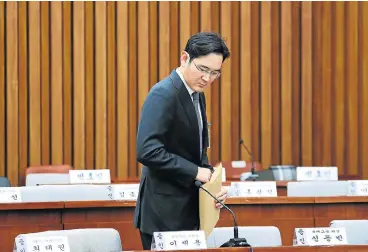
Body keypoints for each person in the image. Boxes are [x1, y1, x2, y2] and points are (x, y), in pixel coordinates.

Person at [133, 31, 231, 250]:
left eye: (215, 73)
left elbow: (194, 151)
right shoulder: (163, 93)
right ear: (184, 58)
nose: (208, 78)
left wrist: (211, 185)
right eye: (203, 69)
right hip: (163, 214)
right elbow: (147, 150)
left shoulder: (197, 94)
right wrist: (197, 172)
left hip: (188, 210)